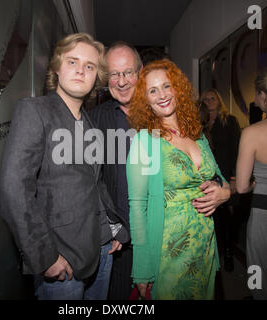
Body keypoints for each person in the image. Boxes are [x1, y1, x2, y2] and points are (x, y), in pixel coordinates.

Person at [0, 33, 129, 300]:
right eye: (72, 62)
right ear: (57, 68)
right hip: (62, 256)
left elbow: (96, 182)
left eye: (90, 66)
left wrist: (113, 226)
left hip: (103, 248)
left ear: (96, 77)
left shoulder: (90, 123)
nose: (81, 70)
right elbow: (14, 189)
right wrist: (44, 257)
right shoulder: (34, 110)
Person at [126, 59, 231, 300]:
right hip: (169, 252)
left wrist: (225, 193)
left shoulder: (197, 134)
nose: (161, 95)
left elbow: (221, 179)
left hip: (204, 245)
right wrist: (141, 270)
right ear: (145, 100)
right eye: (152, 90)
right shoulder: (146, 141)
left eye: (166, 86)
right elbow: (137, 207)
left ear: (178, 90)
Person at [89, 41, 143, 300]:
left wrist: (218, 184)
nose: (121, 82)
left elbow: (195, 161)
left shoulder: (163, 114)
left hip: (161, 240)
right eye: (113, 74)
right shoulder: (94, 119)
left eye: (128, 72)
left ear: (140, 73)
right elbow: (85, 182)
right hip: (117, 243)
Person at [200, 88, 241, 272]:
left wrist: (234, 177)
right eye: (206, 99)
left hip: (226, 175)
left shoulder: (229, 121)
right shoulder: (200, 123)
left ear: (219, 100)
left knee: (229, 219)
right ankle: (217, 256)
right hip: (208, 179)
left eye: (212, 98)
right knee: (214, 220)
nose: (209, 101)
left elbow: (237, 150)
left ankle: (229, 253)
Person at [236, 68, 267, 300]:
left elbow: (241, 187)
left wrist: (252, 184)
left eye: (257, 94)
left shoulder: (252, 133)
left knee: (258, 275)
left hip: (262, 214)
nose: (254, 99)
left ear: (264, 96)